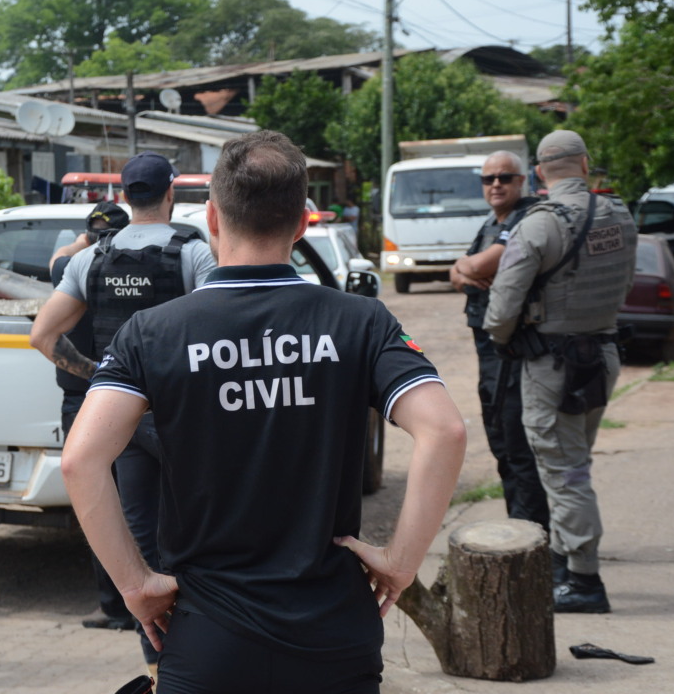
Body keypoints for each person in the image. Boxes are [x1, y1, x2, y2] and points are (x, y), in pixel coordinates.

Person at [61, 131, 466, 694]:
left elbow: (81, 461)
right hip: (333, 628)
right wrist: (401, 561)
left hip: (208, 633)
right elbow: (445, 430)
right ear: (303, 223)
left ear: (213, 220)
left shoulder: (152, 333)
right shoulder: (362, 322)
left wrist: (135, 585)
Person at [29, 152, 216, 674]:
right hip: (185, 422)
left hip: (126, 428)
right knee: (202, 541)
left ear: (125, 195)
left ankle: (161, 670)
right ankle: (209, 660)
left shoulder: (92, 259)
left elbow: (42, 336)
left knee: (142, 554)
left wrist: (106, 381)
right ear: (171, 192)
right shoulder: (194, 254)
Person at [484, 129, 637, 614]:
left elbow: (501, 308)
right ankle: (571, 564)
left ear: (538, 174)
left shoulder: (538, 225)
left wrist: (504, 338)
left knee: (566, 472)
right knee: (574, 461)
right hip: (603, 356)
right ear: (586, 165)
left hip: (553, 366)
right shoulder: (620, 215)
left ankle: (583, 580)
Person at [47, 201, 136, 631]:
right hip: (137, 401)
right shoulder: (146, 268)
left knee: (99, 506)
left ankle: (114, 604)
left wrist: (84, 238)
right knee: (139, 505)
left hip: (82, 400)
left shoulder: (74, 269)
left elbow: (58, 261)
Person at [449, 151, 548, 531]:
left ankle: (532, 534)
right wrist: (464, 269)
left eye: (504, 177)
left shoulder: (525, 218)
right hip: (488, 349)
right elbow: (457, 272)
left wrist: (467, 268)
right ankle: (520, 527)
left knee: (518, 444)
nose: (495, 185)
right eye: (488, 178)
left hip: (514, 348)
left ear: (522, 181)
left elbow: (473, 267)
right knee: (500, 441)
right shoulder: (492, 222)